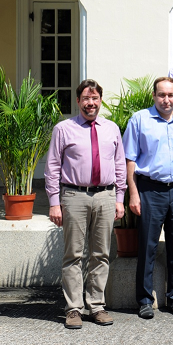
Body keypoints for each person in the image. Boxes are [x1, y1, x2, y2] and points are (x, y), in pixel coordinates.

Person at [44, 79, 126, 329]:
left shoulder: (111, 128)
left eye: (95, 98)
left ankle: (97, 307)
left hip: (105, 196)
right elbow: (52, 167)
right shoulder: (63, 129)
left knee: (101, 254)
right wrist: (54, 203)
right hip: (74, 196)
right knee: (74, 255)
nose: (91, 103)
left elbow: (120, 164)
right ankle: (73, 309)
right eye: (86, 99)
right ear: (78, 101)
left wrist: (119, 198)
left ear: (100, 100)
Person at [123, 77, 173, 319]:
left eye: (171, 95)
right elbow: (130, 159)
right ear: (154, 96)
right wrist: (133, 194)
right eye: (162, 95)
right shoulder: (139, 120)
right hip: (149, 190)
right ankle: (144, 300)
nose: (167, 100)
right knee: (148, 246)